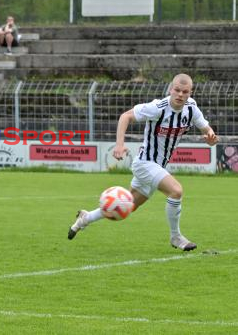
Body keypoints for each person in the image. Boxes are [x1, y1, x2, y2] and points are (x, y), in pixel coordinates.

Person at [67, 74, 219, 251]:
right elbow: (125, 117)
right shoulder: (157, 108)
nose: (180, 94)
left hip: (158, 166)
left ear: (190, 93)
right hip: (145, 163)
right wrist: (119, 145)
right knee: (176, 191)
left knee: (127, 206)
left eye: (184, 92)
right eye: (177, 90)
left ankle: (86, 218)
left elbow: (207, 130)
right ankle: (176, 237)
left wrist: (211, 138)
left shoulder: (191, 109)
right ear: (171, 89)